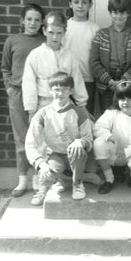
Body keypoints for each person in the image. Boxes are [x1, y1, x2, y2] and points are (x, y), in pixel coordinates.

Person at [25, 72, 93, 206]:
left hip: (75, 154)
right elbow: (30, 143)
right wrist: (41, 164)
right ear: (50, 90)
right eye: (56, 89)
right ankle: (43, 190)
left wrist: (80, 141)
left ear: (71, 91)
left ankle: (77, 184)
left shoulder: (78, 112)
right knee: (48, 169)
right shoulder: (43, 114)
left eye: (64, 89)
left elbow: (89, 138)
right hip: (55, 154)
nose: (60, 93)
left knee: (77, 150)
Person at [1, 3, 45, 197]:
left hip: (40, 94)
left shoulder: (45, 41)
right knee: (21, 137)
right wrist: (9, 88)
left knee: (39, 136)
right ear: (22, 21)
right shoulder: (13, 41)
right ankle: (22, 179)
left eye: (37, 19)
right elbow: (5, 67)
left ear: (42, 22)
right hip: (18, 93)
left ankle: (38, 176)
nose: (33, 23)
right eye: (29, 19)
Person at [22, 11, 88, 120]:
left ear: (64, 32)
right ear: (44, 31)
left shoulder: (70, 56)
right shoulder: (35, 55)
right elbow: (29, 85)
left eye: (59, 33)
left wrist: (82, 106)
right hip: (43, 104)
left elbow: (77, 81)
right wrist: (31, 111)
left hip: (66, 105)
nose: (54, 37)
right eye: (51, 32)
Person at [90, 0, 131, 113]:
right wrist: (109, 81)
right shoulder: (101, 34)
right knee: (108, 116)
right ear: (110, 13)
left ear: (128, 13)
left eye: (122, 12)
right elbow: (94, 62)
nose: (119, 16)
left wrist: (123, 81)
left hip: (128, 86)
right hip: (107, 86)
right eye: (115, 12)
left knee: (127, 117)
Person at [93, 81, 131, 194]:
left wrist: (127, 152)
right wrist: (110, 136)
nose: (125, 102)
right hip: (114, 154)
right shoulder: (112, 113)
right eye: (122, 99)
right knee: (99, 143)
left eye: (129, 98)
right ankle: (109, 179)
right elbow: (98, 127)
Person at [64, 0, 101, 115]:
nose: (80, 6)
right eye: (76, 2)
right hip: (66, 79)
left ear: (90, 5)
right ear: (70, 4)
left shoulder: (95, 29)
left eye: (84, 2)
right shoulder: (64, 27)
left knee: (84, 117)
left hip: (87, 80)